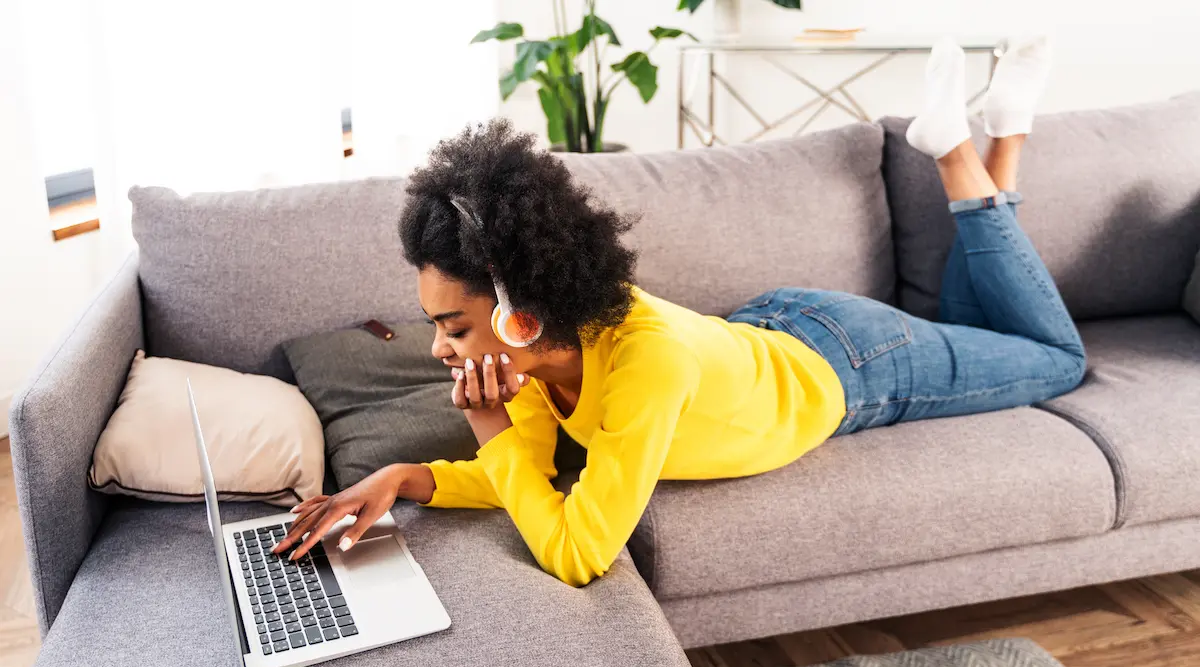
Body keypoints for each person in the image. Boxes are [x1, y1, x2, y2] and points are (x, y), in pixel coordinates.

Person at [275, 37, 1084, 587]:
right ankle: (1000, 140)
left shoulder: (642, 364)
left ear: (522, 309)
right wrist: (404, 477)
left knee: (1053, 356)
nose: (442, 353)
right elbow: (521, 476)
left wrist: (489, 433)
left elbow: (578, 551)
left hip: (853, 362)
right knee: (980, 327)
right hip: (776, 329)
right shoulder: (535, 360)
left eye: (454, 328)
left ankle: (954, 152)